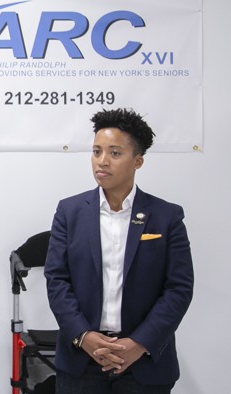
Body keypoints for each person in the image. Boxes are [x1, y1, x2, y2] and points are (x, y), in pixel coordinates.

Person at [44, 108, 193, 393]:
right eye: (96, 151)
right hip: (81, 360)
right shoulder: (70, 211)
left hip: (143, 363)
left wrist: (139, 344)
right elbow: (57, 280)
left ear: (138, 161)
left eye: (114, 153)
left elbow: (179, 289)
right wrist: (83, 335)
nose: (102, 161)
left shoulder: (166, 216)